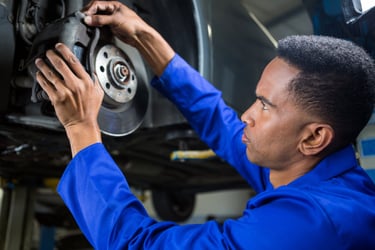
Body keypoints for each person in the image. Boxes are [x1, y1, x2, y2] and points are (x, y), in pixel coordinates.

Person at [34, 1, 375, 249]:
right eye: (257, 98)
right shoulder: (310, 172)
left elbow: (136, 245)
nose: (247, 115)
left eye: (266, 106)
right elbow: (222, 122)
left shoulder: (312, 225)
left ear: (314, 137)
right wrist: (144, 35)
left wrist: (81, 127)